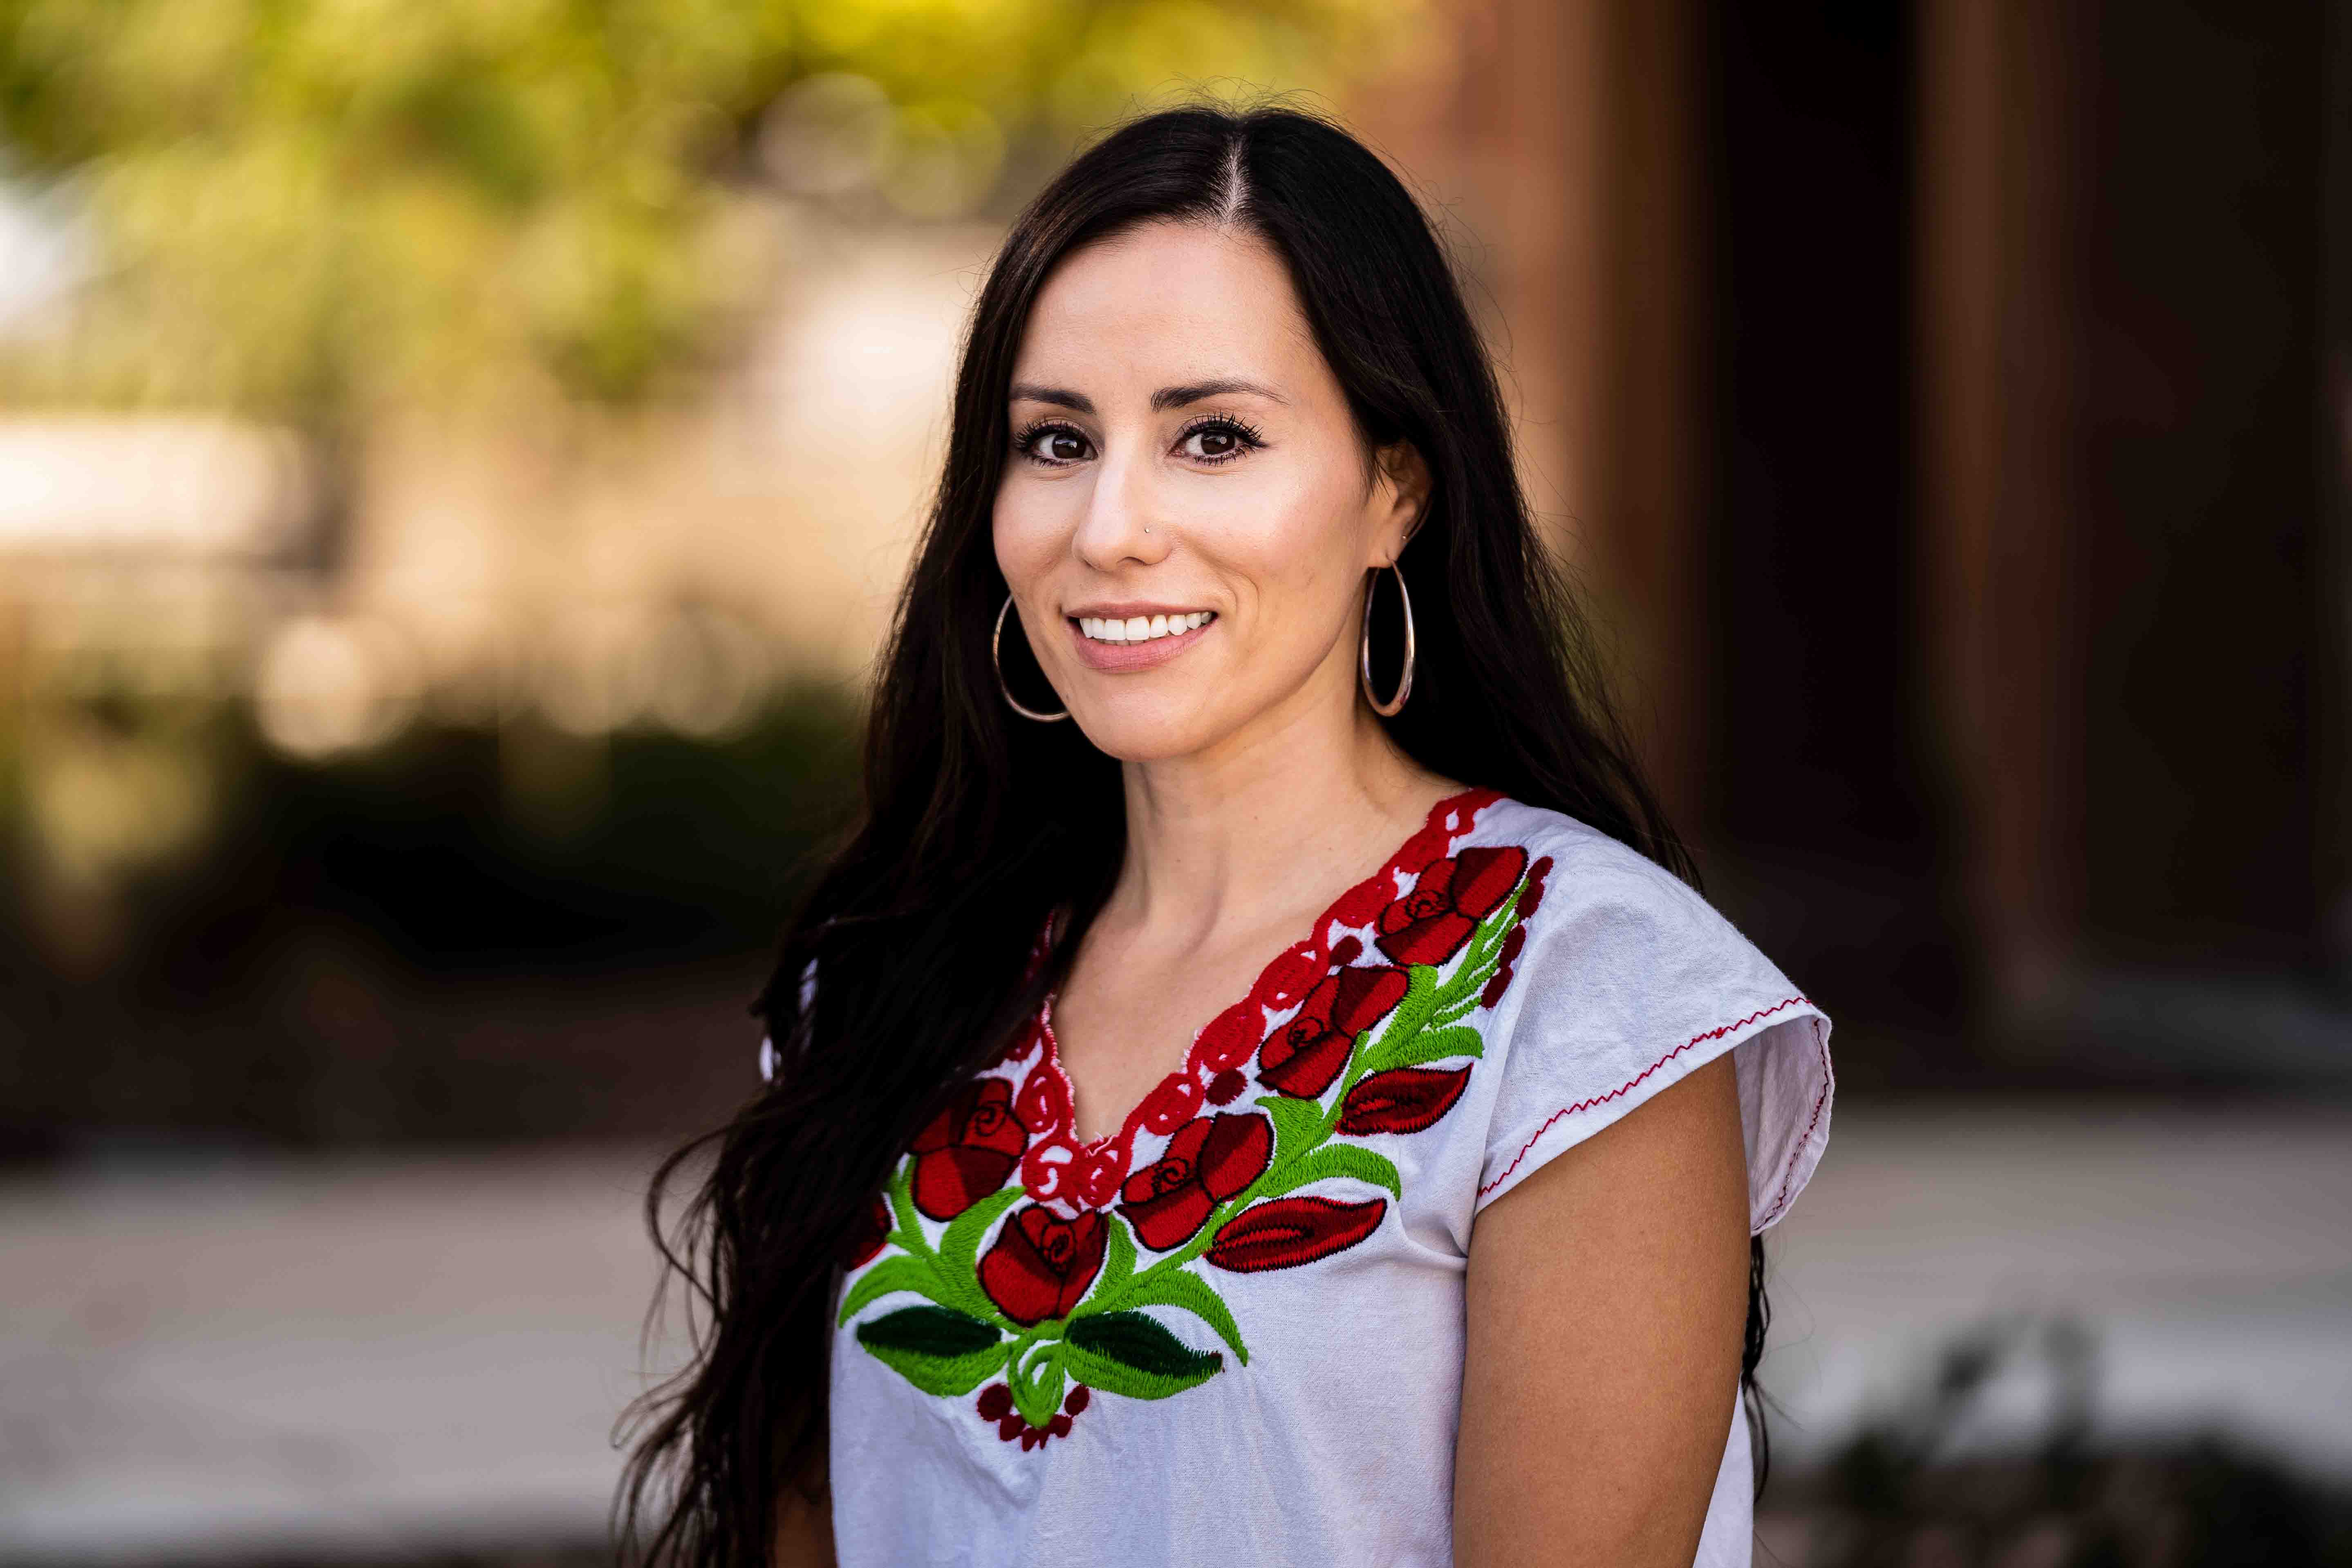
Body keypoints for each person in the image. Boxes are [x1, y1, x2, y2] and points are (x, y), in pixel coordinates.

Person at [621, 102, 1833, 1568]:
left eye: (1212, 437)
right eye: (1055, 440)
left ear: (1397, 488)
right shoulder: (890, 980)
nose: (1111, 526)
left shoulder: (1586, 1000)